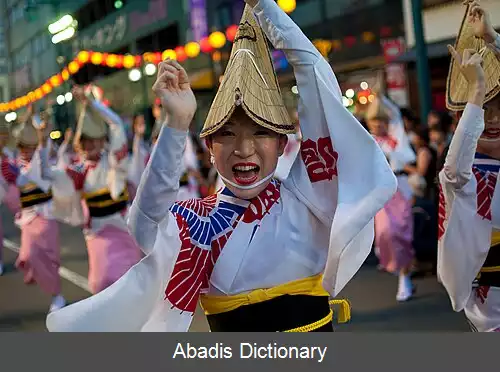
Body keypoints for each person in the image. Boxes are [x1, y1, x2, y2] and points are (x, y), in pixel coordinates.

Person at [45, 0, 396, 332]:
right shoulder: (196, 220)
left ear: (282, 144)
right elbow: (145, 226)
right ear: (210, 147)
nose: (244, 149)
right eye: (226, 134)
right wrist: (176, 124)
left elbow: (316, 81)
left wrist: (266, 9)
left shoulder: (311, 198)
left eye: (261, 133)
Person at [38, 86, 143, 295]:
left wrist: (91, 104)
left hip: (124, 230)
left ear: (103, 140)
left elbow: (116, 124)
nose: (90, 145)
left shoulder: (113, 162)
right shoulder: (78, 171)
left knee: (133, 285)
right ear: (79, 144)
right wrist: (42, 140)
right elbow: (46, 174)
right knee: (101, 285)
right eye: (85, 140)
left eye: (94, 139)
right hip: (98, 236)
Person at [438, 0, 500, 332]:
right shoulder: (468, 172)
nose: (493, 120)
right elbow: (454, 173)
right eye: (483, 108)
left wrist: (493, 40)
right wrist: (476, 89)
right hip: (491, 309)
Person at [4, 110, 66, 312]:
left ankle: (57, 295)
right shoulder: (14, 166)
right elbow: (20, 180)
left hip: (46, 217)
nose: (25, 150)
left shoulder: (42, 161)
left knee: (50, 259)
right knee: (28, 254)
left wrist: (41, 136)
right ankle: (34, 270)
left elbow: (42, 156)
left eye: (29, 147)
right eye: (22, 146)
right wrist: (26, 122)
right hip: (28, 218)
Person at [365, 96, 416, 301]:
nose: (378, 124)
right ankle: (394, 264)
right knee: (386, 233)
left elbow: (395, 115)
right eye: (374, 121)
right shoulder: (367, 141)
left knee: (403, 235)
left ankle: (405, 279)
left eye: (381, 120)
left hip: (401, 190)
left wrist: (381, 99)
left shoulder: (397, 139)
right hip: (381, 193)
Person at [0, 121, 21, 276]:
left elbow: (15, 174)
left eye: (5, 136)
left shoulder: (9, 153)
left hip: (8, 190)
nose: (3, 139)